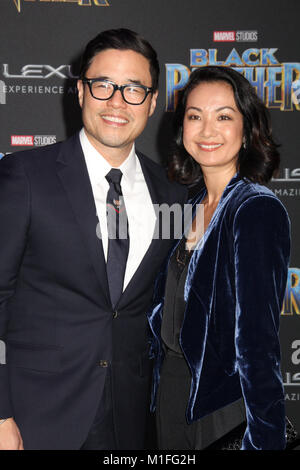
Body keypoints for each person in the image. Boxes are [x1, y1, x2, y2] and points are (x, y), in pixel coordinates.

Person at [0, 28, 187, 450]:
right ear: (80, 91)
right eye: (103, 85)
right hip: (36, 417)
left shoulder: (171, 193)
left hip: (133, 419)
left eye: (134, 89)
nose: (117, 101)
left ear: (153, 101)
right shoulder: (25, 176)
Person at [148, 66, 291, 450]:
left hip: (222, 406)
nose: (207, 130)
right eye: (195, 116)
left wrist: (264, 438)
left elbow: (258, 343)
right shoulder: (189, 206)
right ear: (182, 128)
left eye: (224, 116)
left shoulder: (255, 209)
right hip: (173, 395)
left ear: (248, 130)